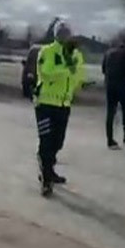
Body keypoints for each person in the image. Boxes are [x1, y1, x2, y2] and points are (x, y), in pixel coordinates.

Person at [33, 23, 86, 196]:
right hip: (45, 104)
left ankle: (49, 168)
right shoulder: (47, 51)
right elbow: (46, 73)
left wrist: (76, 82)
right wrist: (66, 69)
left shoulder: (76, 54)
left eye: (67, 33)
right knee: (46, 141)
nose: (65, 36)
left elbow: (79, 75)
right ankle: (46, 179)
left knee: (58, 141)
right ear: (56, 35)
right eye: (62, 33)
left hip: (64, 105)